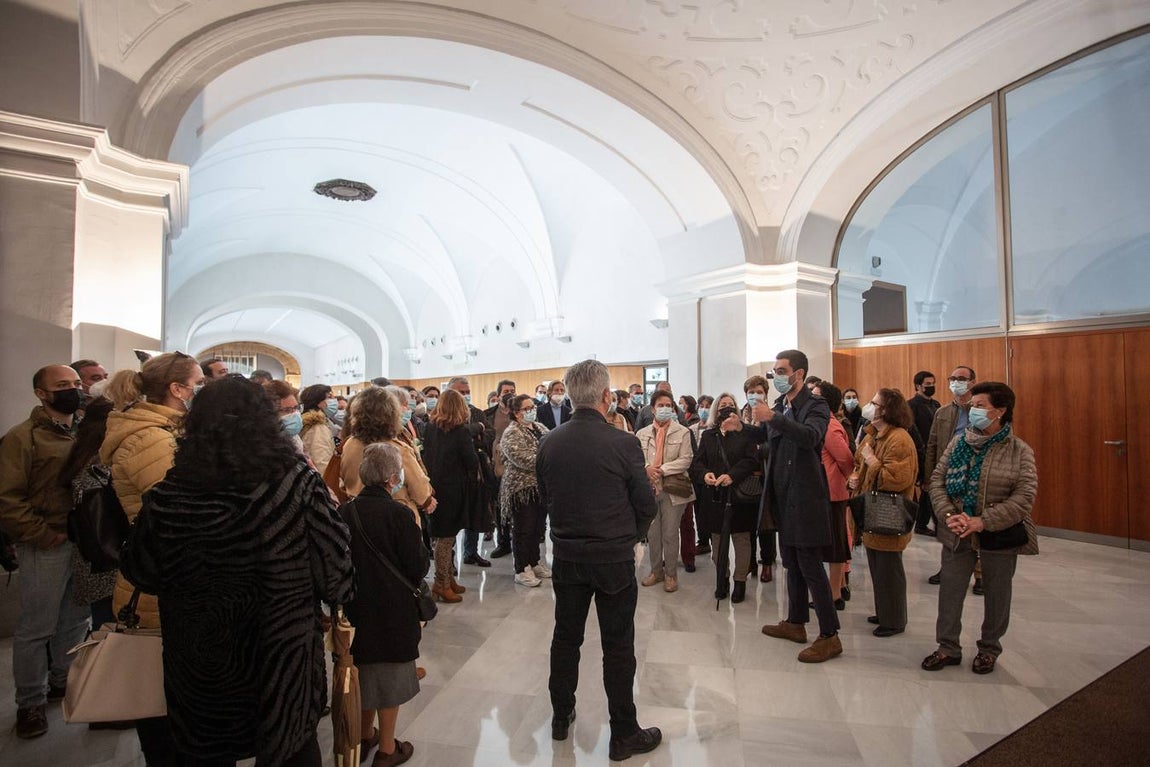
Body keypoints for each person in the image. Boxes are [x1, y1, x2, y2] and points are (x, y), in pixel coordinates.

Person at [121, 375, 354, 766]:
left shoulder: (169, 492)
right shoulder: (296, 484)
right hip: (280, 654)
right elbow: (335, 570)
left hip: (200, 656)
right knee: (291, 745)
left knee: (204, 749)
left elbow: (141, 571)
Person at [536, 359, 661, 761]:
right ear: (607, 396)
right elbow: (645, 504)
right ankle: (623, 733)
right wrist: (631, 536)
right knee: (618, 645)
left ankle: (561, 715)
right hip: (612, 558)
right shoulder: (623, 443)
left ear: (571, 395)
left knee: (565, 638)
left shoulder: (549, 442)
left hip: (568, 555)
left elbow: (545, 496)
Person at [102, 351, 203, 764]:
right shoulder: (152, 439)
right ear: (177, 389)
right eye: (198, 383)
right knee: (161, 699)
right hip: (160, 579)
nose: (202, 390)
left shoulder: (162, 430)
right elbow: (181, 513)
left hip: (165, 573)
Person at [923, 381, 1037, 675]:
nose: (972, 410)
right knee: (950, 592)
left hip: (999, 534)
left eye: (979, 406)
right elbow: (937, 480)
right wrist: (950, 515)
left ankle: (989, 648)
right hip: (956, 531)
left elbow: (1023, 498)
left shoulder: (1019, 451)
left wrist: (982, 521)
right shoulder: (958, 443)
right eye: (971, 405)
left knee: (997, 594)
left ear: (1000, 411)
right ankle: (947, 647)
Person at [0, 365, 89, 740]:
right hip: (47, 541)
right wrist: (40, 534)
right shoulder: (23, 437)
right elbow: (8, 497)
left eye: (76, 383)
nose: (74, 389)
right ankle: (30, 702)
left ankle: (60, 681)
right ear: (41, 393)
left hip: (83, 541)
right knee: (37, 627)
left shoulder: (85, 430)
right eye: (62, 385)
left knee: (74, 619)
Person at [338, 443, 426, 767]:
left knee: (362, 672)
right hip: (394, 611)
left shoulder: (345, 512)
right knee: (390, 679)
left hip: (356, 607)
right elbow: (417, 566)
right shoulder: (400, 514)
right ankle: (388, 749)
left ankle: (364, 736)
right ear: (392, 478)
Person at [751, 350, 842, 663]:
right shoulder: (781, 405)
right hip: (782, 495)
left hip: (805, 498)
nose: (777, 376)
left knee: (810, 566)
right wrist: (742, 428)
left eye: (781, 370)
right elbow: (769, 440)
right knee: (790, 561)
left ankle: (830, 635)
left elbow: (811, 437)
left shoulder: (815, 406)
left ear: (799, 373)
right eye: (775, 371)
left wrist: (773, 418)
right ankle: (795, 622)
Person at [848, 388, 918, 637]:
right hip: (871, 510)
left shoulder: (899, 439)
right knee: (877, 568)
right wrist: (855, 475)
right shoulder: (873, 434)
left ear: (887, 410)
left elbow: (896, 479)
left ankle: (894, 620)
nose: (869, 406)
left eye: (875, 403)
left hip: (888, 513)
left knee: (889, 571)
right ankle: (885, 611)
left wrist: (872, 462)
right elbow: (858, 461)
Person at [57, 394, 119, 630]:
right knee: (109, 633)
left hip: (98, 563)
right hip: (107, 564)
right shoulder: (98, 465)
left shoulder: (86, 455)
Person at [689, 396, 760, 602]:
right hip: (715, 496)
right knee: (718, 541)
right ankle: (723, 579)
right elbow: (698, 463)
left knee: (741, 540)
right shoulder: (709, 435)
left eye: (730, 405)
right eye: (722, 405)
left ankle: (740, 581)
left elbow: (752, 460)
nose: (726, 409)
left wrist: (732, 475)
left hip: (740, 494)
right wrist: (705, 475)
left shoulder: (745, 433)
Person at [925, 366, 982, 591]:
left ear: (972, 382)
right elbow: (932, 445)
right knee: (947, 524)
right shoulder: (943, 412)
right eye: (952, 378)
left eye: (961, 378)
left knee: (973, 524)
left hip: (974, 476)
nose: (956, 382)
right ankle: (947, 568)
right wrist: (928, 477)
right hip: (947, 475)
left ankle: (980, 574)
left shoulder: (979, 411)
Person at [424, 389, 482, 601]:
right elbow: (471, 461)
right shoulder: (460, 431)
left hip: (434, 486)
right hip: (453, 489)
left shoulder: (430, 428)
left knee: (443, 535)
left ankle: (448, 578)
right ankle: (441, 583)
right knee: (446, 539)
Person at [635, 389, 694, 593]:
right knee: (653, 534)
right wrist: (646, 468)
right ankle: (656, 571)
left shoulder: (682, 432)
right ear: (652, 409)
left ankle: (670, 574)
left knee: (670, 533)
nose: (665, 408)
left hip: (672, 490)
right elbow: (637, 458)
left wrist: (660, 470)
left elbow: (686, 459)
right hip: (650, 489)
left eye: (668, 405)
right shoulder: (641, 434)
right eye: (660, 405)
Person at [500, 394, 551, 586]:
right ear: (516, 413)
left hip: (540, 487)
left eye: (533, 407)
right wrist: (547, 460)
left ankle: (534, 562)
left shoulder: (540, 427)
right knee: (524, 529)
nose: (531, 411)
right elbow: (521, 458)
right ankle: (521, 569)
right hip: (521, 488)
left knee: (538, 527)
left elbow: (552, 446)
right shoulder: (511, 432)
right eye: (526, 409)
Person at [811, 381, 853, 611]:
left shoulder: (828, 425)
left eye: (815, 396)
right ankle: (840, 586)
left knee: (835, 545)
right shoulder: (821, 422)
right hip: (826, 490)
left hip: (832, 491)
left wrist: (841, 479)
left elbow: (846, 459)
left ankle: (834, 594)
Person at [741, 375, 776, 582]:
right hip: (743, 477)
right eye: (751, 392)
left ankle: (767, 562)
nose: (755, 395)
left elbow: (774, 445)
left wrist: (757, 449)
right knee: (747, 523)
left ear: (765, 394)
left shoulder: (772, 416)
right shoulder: (740, 416)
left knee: (765, 523)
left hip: (764, 474)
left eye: (759, 392)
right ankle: (750, 561)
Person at [484, 379, 517, 559]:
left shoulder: (520, 412)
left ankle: (519, 541)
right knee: (499, 505)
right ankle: (503, 542)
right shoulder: (488, 414)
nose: (510, 394)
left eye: (512, 390)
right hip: (497, 465)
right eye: (506, 391)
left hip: (517, 466)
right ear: (498, 395)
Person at [909, 371, 941, 536]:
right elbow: (912, 432)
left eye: (932, 383)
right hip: (921, 452)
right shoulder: (911, 405)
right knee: (927, 487)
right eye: (927, 384)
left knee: (931, 488)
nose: (931, 387)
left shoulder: (936, 405)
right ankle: (923, 523)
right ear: (918, 386)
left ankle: (925, 523)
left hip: (936, 451)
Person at [299, 384, 338, 475]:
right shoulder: (317, 427)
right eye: (329, 397)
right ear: (319, 402)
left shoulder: (319, 421)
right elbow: (322, 461)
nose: (333, 400)